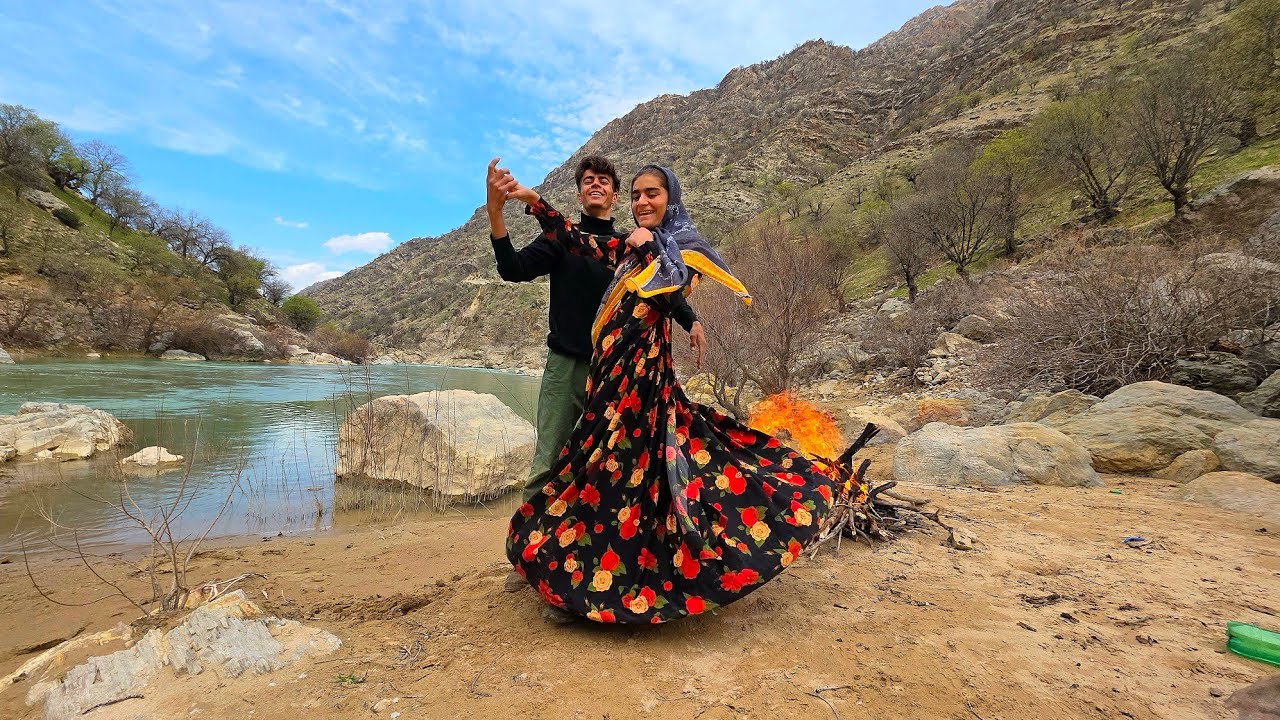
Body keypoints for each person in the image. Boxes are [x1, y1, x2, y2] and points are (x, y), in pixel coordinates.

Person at [494, 164, 847, 624]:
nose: (643, 202)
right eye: (638, 194)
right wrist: (529, 201)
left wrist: (684, 307)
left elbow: (670, 283)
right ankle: (558, 572)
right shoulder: (630, 244)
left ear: (669, 198)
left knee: (629, 478)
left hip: (640, 385)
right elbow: (574, 241)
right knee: (592, 473)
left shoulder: (675, 250)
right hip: (600, 379)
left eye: (652, 194)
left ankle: (612, 581)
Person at [485, 157, 706, 505]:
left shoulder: (629, 246)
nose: (595, 185)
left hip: (617, 372)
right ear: (579, 194)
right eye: (588, 180)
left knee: (607, 463)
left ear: (616, 196)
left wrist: (690, 320)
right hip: (567, 367)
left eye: (603, 180)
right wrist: (496, 213)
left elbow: (662, 286)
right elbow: (512, 268)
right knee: (549, 459)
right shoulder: (562, 241)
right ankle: (525, 542)